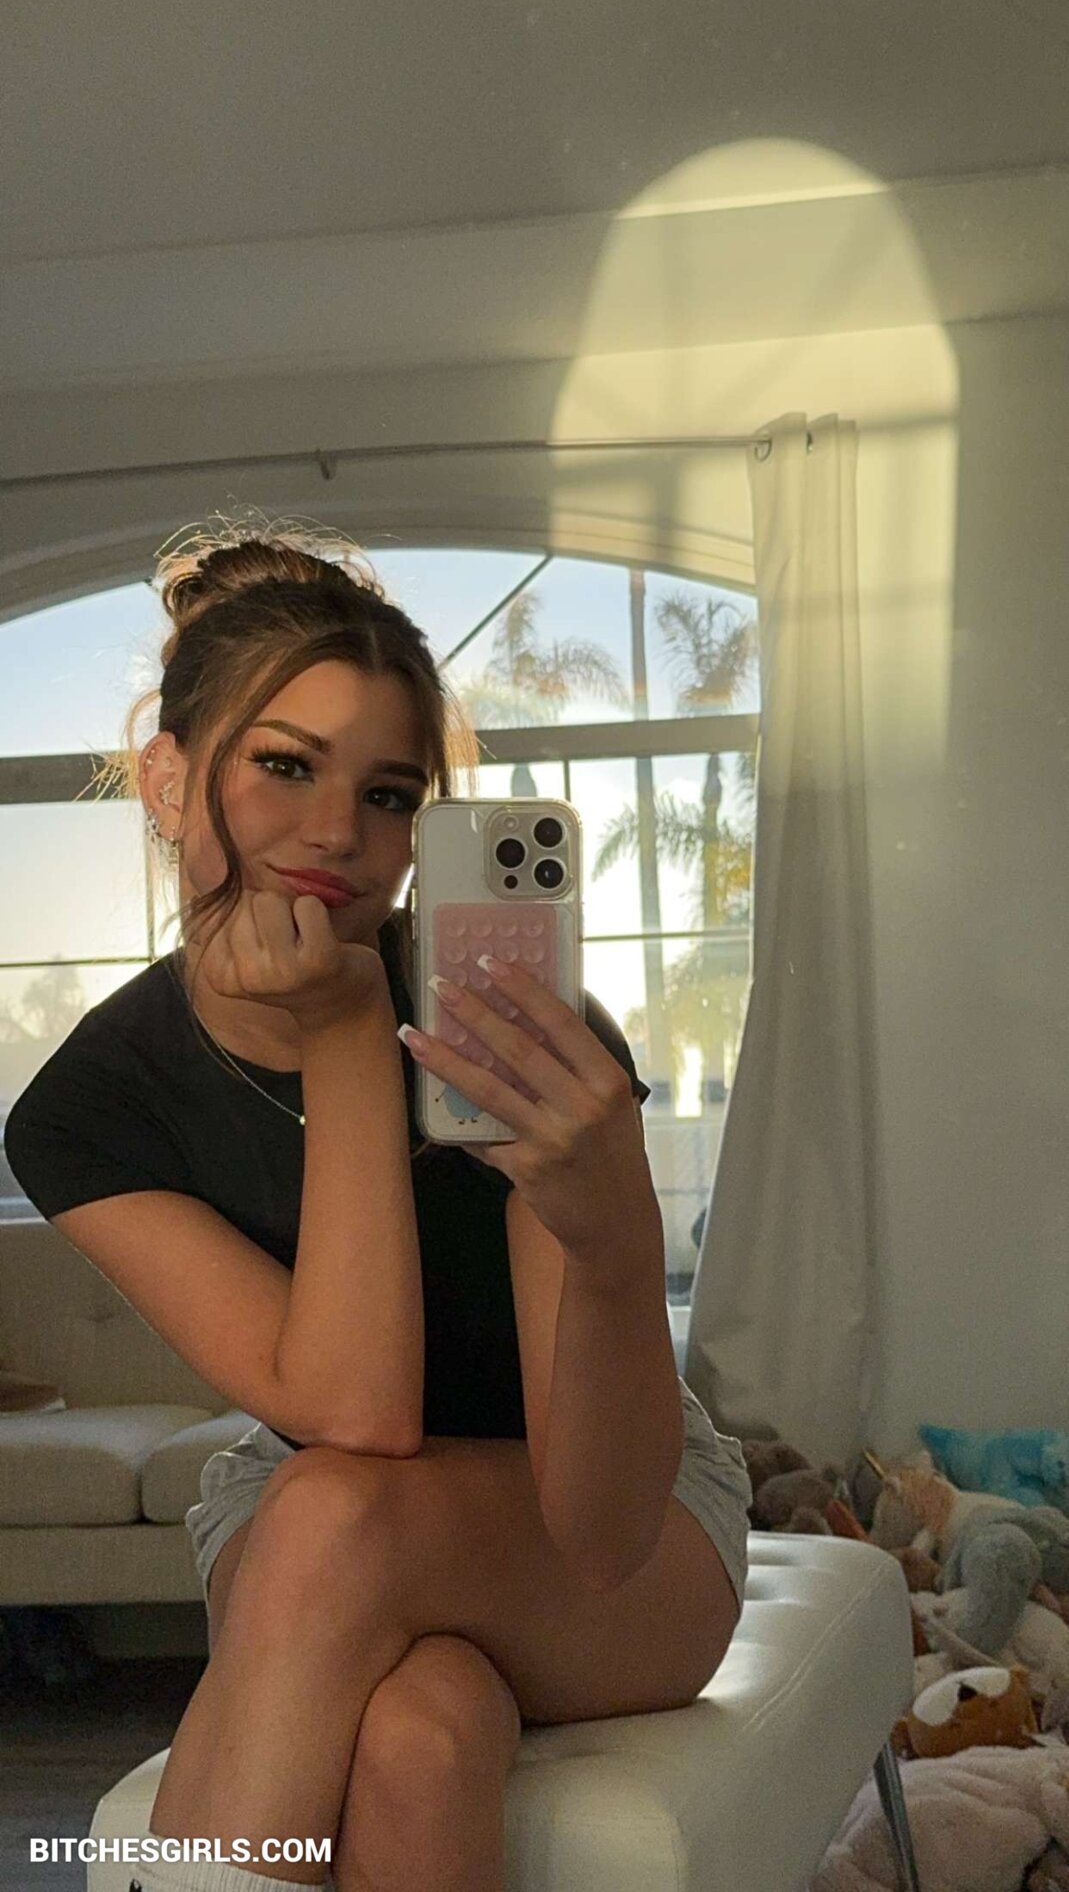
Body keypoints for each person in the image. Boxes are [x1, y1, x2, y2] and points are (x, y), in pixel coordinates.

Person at [3, 519, 752, 1892]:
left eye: (391, 793)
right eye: (285, 766)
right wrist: (350, 1031)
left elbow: (600, 1530)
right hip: (307, 1510)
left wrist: (611, 1235)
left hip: (617, 1529)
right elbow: (353, 1414)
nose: (341, 834)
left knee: (337, 1521)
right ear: (168, 780)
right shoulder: (86, 1109)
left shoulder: (518, 1033)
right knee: (421, 1729)